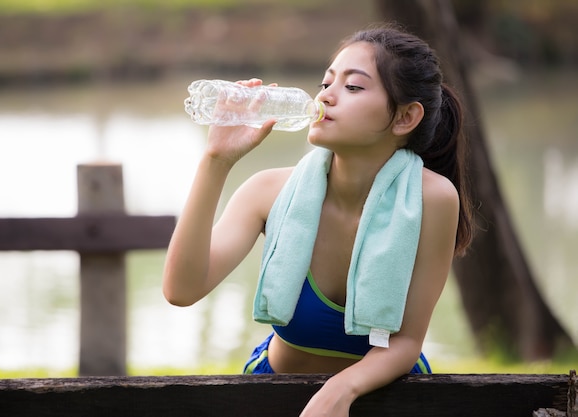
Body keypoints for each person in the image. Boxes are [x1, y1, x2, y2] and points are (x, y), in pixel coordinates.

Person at [163, 23, 474, 417]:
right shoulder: (269, 191)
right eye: (326, 82)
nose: (326, 95)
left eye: (353, 87)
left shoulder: (433, 199)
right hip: (270, 395)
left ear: (405, 117)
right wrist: (216, 161)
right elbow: (181, 289)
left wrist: (339, 391)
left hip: (386, 401)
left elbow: (406, 342)